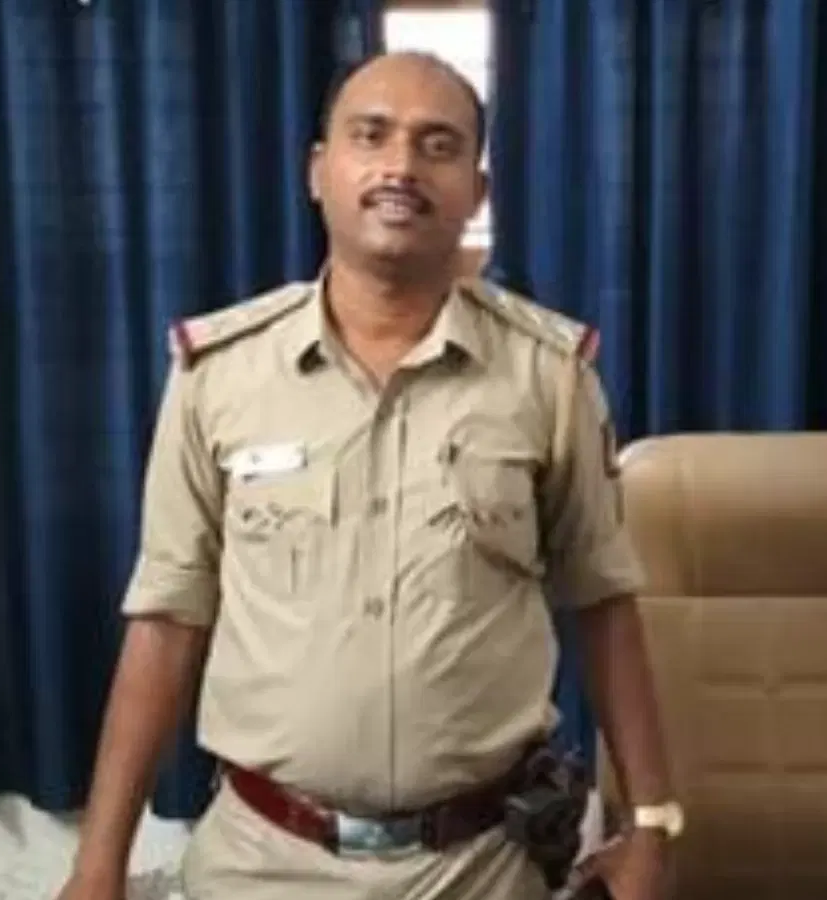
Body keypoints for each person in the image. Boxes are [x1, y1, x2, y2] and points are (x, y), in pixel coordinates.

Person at [57, 51, 679, 900]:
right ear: (319, 171)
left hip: (480, 866)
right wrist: (98, 865)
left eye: (437, 145)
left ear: (476, 191)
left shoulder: (549, 377)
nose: (400, 167)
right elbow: (167, 619)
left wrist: (653, 825)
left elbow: (604, 605)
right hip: (261, 865)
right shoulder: (219, 376)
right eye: (371, 136)